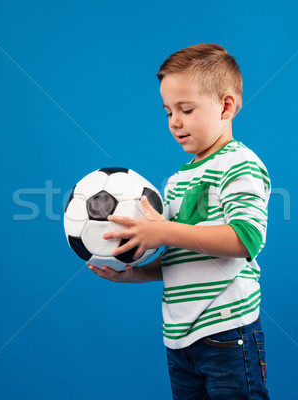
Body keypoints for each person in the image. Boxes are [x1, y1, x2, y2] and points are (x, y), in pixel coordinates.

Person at [87, 43, 271, 400]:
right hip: (179, 338)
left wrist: (163, 229)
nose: (175, 121)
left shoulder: (239, 164)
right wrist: (139, 272)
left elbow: (245, 239)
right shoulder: (176, 180)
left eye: (186, 109)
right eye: (168, 111)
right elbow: (181, 255)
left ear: (226, 106)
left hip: (226, 333)